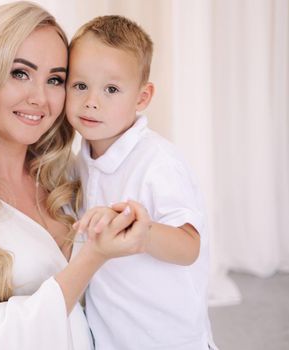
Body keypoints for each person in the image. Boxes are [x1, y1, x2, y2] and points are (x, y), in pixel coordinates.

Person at [0, 3, 149, 349]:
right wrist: (93, 256)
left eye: (55, 80)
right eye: (20, 73)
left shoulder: (65, 175)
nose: (40, 98)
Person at [66, 16, 218, 350]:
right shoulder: (83, 157)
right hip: (113, 333)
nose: (92, 100)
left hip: (167, 337)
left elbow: (189, 246)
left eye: (111, 89)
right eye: (80, 85)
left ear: (142, 97)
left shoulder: (158, 163)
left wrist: (142, 229)